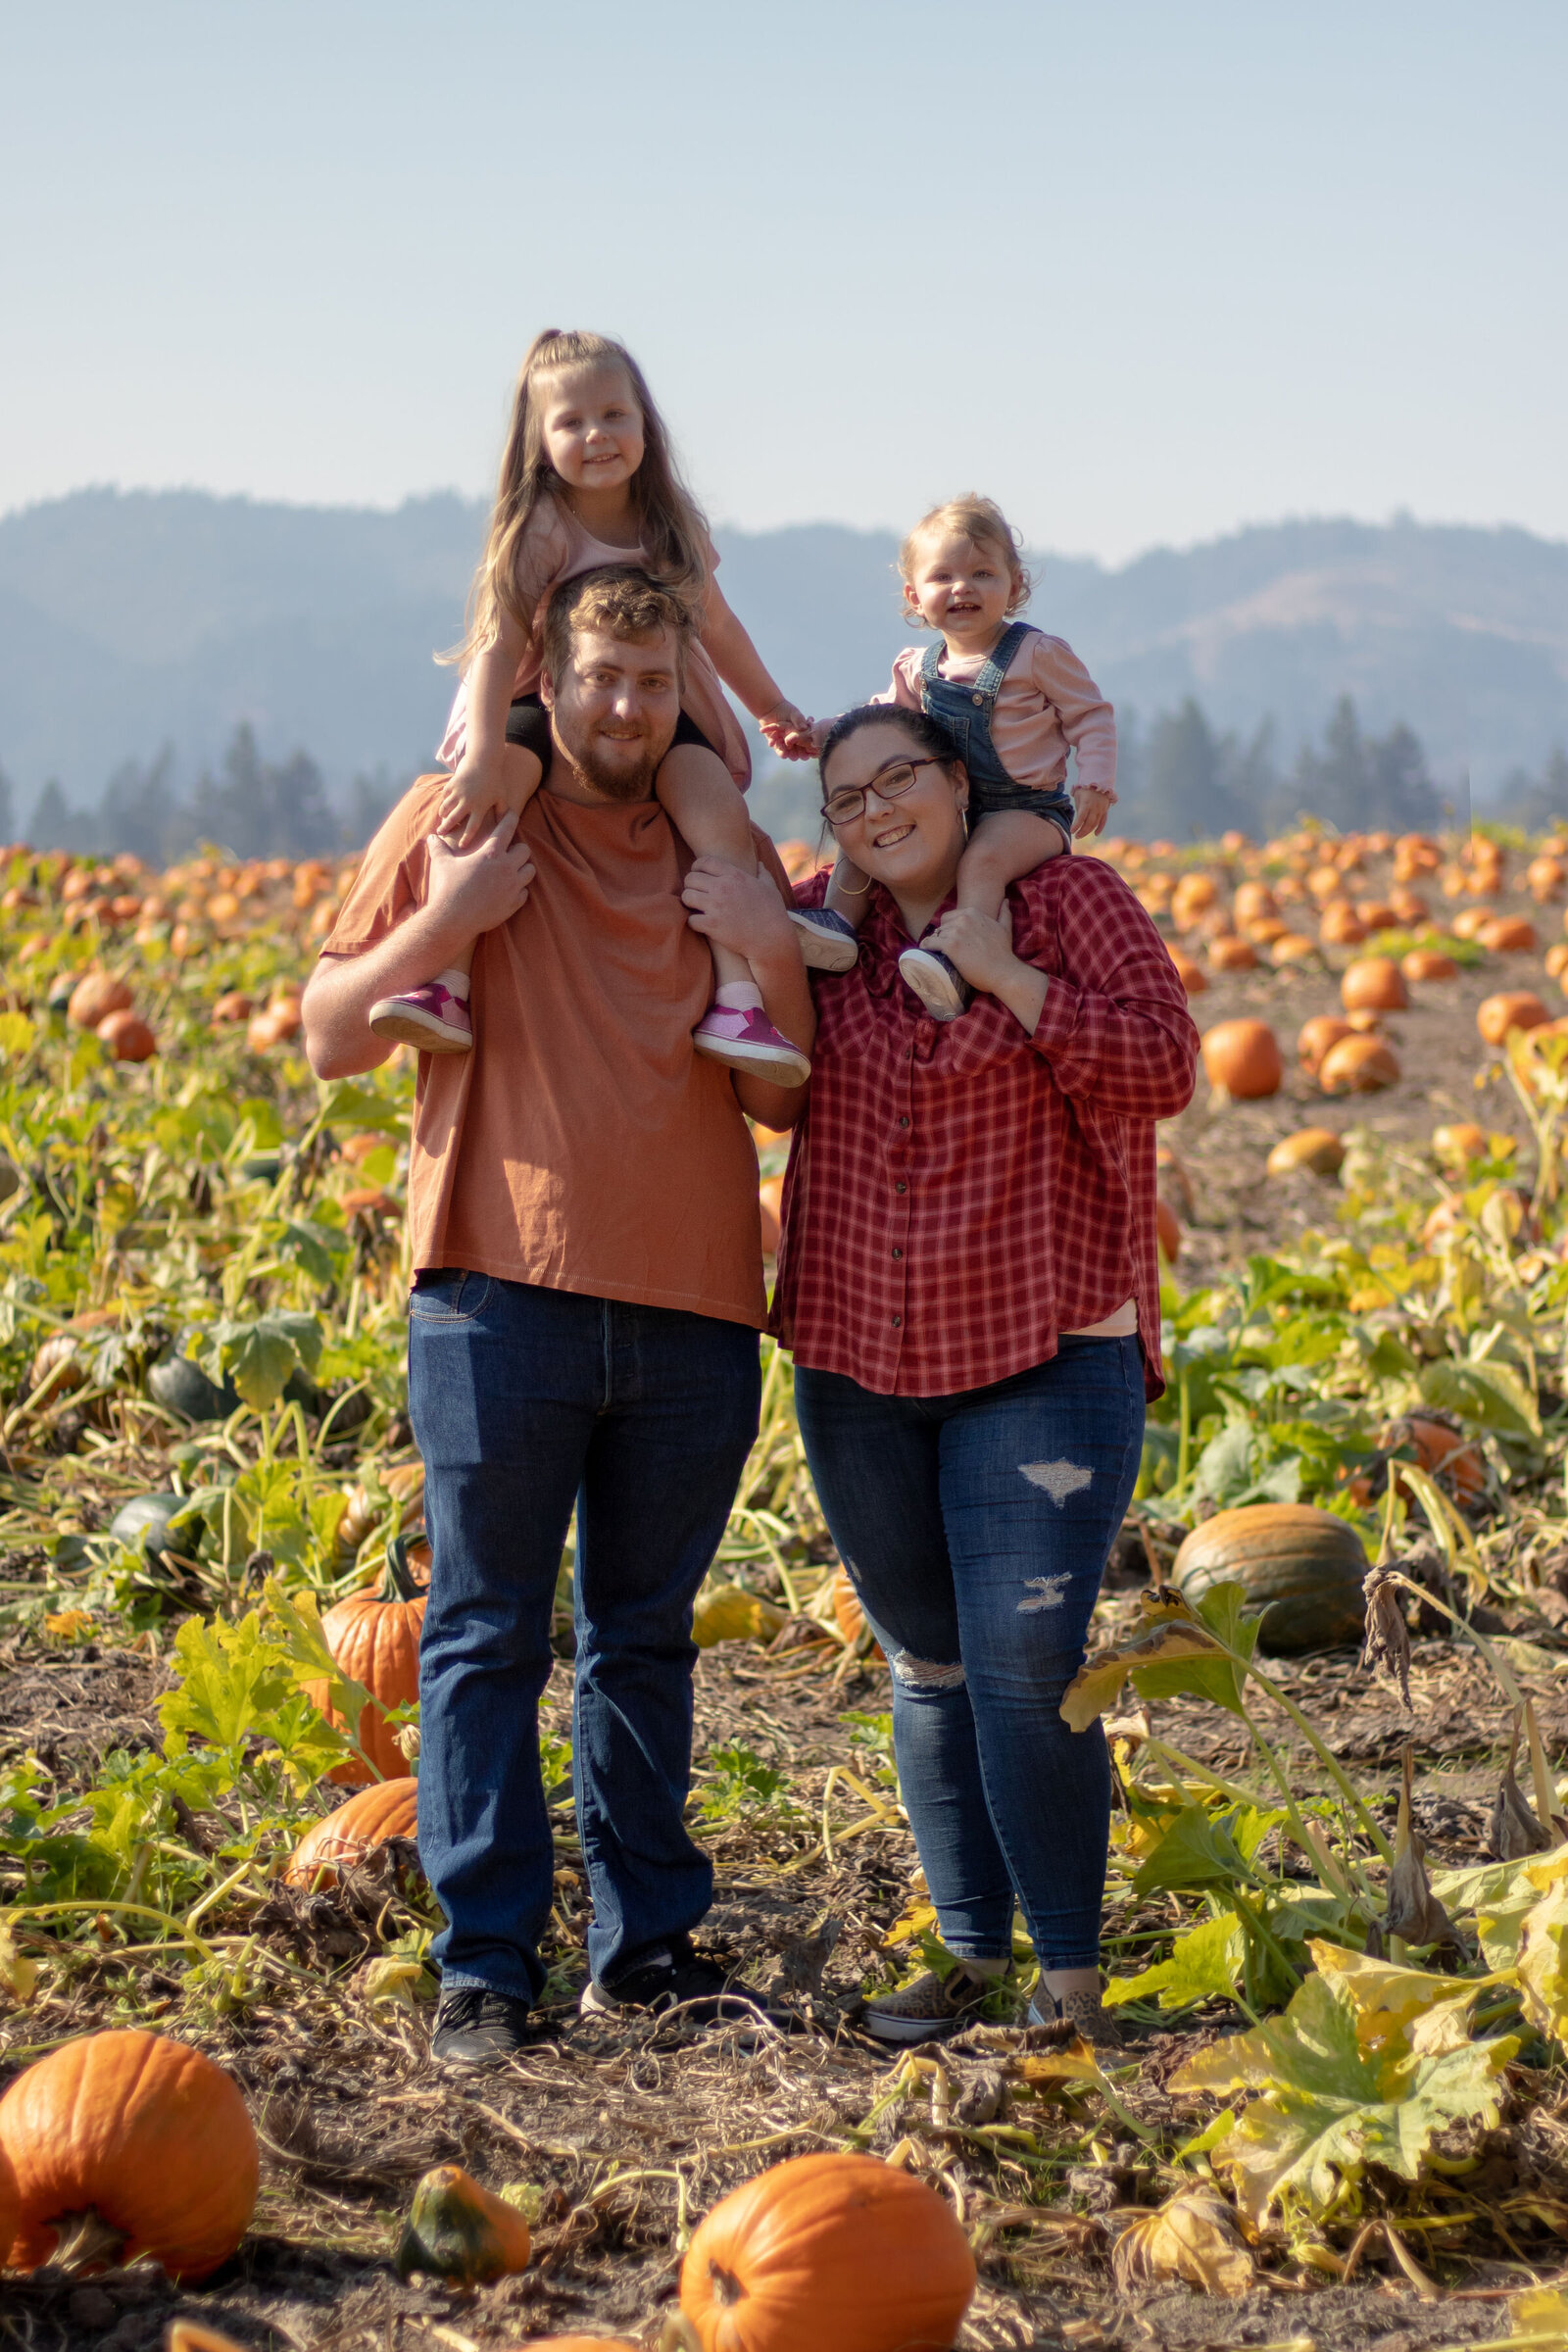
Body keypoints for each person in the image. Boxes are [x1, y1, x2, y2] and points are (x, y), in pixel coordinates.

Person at [301, 566, 815, 2066]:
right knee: (479, 1636)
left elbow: (781, 1092)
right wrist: (446, 919)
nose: (625, 708)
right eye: (600, 678)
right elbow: (330, 1031)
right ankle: (486, 1962)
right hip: (495, 1293)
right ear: (550, 674)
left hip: (694, 1305)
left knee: (645, 1638)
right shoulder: (463, 815)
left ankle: (647, 1947)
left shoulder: (720, 850)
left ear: (681, 696)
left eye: (654, 686)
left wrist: (771, 943)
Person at [694, 704, 1197, 2047]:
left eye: (898, 778)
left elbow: (1165, 1065)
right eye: (847, 796)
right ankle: (971, 1956)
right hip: (860, 1360)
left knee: (1028, 1663)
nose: (873, 810)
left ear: (960, 783)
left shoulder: (1067, 904)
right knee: (929, 1665)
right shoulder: (826, 936)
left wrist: (1010, 979)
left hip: (1043, 1353)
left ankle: (1070, 1979)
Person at [368, 326, 815, 1087]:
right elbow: (498, 651)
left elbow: (721, 629)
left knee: (714, 810)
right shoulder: (538, 530)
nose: (596, 435)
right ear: (539, 442)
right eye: (570, 422)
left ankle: (738, 997)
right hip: (542, 701)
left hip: (656, 705)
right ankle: (448, 978)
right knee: (494, 794)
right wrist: (479, 755)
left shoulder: (671, 523)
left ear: (646, 425)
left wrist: (772, 706)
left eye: (614, 415)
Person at [792, 495, 1118, 1024]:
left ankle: (957, 962)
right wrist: (820, 733)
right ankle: (837, 925)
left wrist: (1095, 781)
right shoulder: (918, 669)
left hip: (1027, 810)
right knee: (862, 838)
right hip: (955, 807)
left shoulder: (1038, 655)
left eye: (982, 573)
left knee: (982, 862)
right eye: (942, 577)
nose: (962, 588)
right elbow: (882, 721)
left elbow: (1092, 716)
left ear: (1014, 586)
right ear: (914, 596)